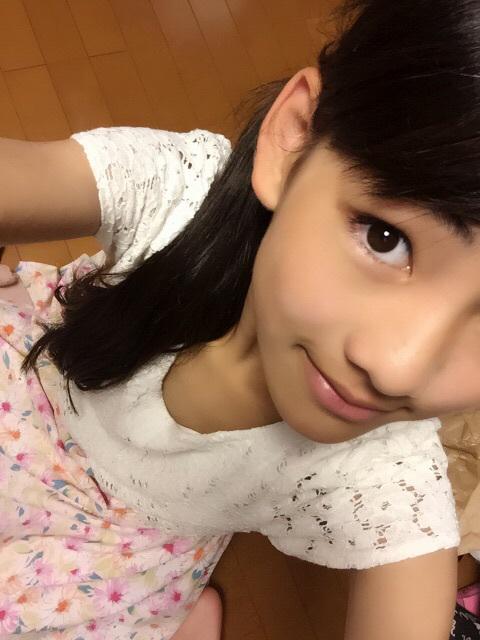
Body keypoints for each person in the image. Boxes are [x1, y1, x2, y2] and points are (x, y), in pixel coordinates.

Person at [1, 0, 479, 637]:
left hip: (116, 558)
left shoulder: (385, 480)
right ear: (295, 140)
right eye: (385, 237)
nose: (398, 369)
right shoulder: (178, 194)